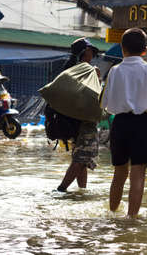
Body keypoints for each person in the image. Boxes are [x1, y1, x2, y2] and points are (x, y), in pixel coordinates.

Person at [101, 28, 147, 218]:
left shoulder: (114, 71)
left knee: (119, 173)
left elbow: (104, 103)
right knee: (138, 174)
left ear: (122, 49)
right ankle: (131, 219)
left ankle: (113, 214)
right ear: (145, 50)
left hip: (120, 124)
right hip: (142, 124)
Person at [57, 38, 100, 192]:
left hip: (72, 121)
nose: (92, 54)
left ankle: (82, 191)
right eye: (90, 51)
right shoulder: (84, 70)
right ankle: (61, 190)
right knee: (82, 158)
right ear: (84, 52)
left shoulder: (69, 68)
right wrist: (96, 77)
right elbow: (89, 94)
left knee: (82, 158)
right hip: (83, 121)